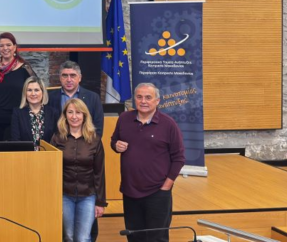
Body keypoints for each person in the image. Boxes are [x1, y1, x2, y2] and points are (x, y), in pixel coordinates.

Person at [111, 83, 185, 242]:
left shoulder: (168, 124)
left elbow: (179, 157)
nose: (143, 101)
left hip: (157, 192)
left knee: (156, 238)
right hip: (130, 191)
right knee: (134, 237)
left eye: (148, 97)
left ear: (157, 101)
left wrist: (167, 186)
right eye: (139, 97)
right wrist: (116, 146)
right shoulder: (124, 118)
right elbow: (114, 141)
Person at [51, 98, 107, 242]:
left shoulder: (95, 140)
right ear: (65, 115)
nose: (74, 116)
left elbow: (99, 173)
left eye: (78, 112)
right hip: (64, 195)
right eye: (70, 112)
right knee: (68, 237)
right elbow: (51, 171)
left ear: (84, 116)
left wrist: (100, 202)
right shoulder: (57, 138)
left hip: (88, 196)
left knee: (83, 238)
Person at [0, 32, 35, 141]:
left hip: (16, 123)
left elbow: (36, 92)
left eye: (8, 45)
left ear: (15, 47)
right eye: (1, 45)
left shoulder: (25, 69)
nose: (5, 48)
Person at [48, 61, 104, 137]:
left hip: (86, 142)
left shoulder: (93, 98)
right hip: (57, 142)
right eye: (65, 76)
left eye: (73, 75)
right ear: (60, 78)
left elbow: (98, 128)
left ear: (80, 78)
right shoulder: (50, 97)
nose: (69, 80)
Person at [10, 76, 57, 149]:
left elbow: (56, 140)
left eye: (36, 90)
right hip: (25, 155)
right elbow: (15, 141)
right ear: (25, 93)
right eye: (29, 90)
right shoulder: (17, 113)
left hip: (48, 155)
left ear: (43, 92)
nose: (33, 94)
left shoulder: (53, 113)